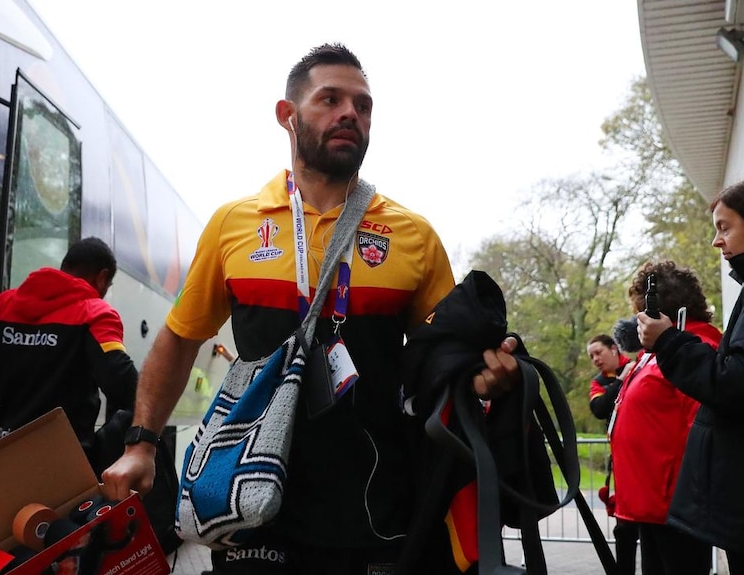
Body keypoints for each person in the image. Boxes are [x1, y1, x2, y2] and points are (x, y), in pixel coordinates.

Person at [101, 43, 520, 575]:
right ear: (288, 116)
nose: (351, 113)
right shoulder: (234, 224)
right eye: (330, 99)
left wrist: (482, 380)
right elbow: (180, 339)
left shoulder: (412, 235)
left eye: (363, 105)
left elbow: (444, 361)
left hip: (379, 515)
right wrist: (140, 445)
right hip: (254, 512)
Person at [0, 236, 137, 454]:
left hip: (3, 452)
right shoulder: (95, 314)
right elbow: (124, 385)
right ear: (102, 278)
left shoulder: (4, 304)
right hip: (63, 461)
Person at [637, 180, 744, 574]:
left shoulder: (693, 337)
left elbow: (732, 383)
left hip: (685, 503)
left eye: (725, 226)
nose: (718, 241)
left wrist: (668, 343)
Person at [610, 260, 721, 575]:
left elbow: (702, 429)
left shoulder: (698, 346)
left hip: (674, 508)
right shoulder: (657, 351)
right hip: (651, 505)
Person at [585, 333, 639, 575]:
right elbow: (598, 408)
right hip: (622, 461)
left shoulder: (639, 363)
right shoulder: (599, 382)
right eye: (591, 356)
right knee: (625, 526)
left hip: (648, 454)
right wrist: (622, 381)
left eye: (598, 352)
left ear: (614, 349)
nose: (595, 359)